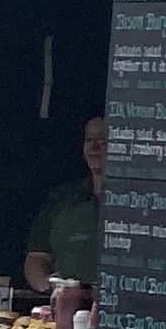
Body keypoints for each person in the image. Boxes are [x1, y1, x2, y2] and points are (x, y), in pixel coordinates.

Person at [25, 115, 108, 293]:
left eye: (103, 140)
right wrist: (48, 286)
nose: (94, 147)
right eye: (89, 140)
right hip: (63, 308)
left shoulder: (140, 205)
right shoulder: (62, 198)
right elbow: (36, 257)